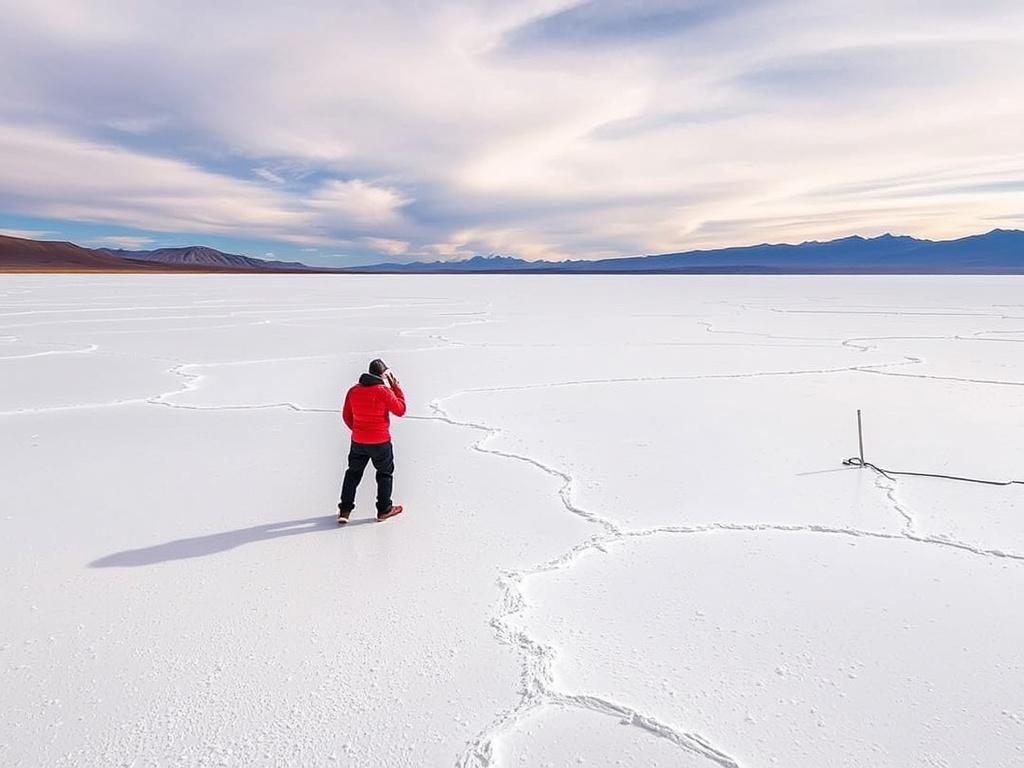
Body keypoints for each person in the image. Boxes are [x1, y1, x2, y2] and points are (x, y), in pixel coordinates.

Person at [338, 358, 406, 524]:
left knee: (352, 474)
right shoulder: (383, 391)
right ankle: (384, 510)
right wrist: (396, 388)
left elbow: (346, 415)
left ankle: (345, 510)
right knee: (384, 474)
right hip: (380, 442)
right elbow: (400, 410)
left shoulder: (353, 390)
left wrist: (358, 431)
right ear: (382, 375)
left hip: (358, 442)